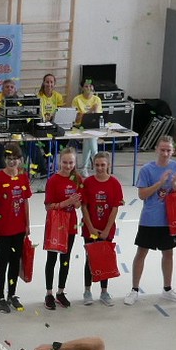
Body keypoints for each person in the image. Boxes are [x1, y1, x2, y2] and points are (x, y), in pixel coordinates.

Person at [124, 136, 176, 305]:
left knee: (168, 253)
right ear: (156, 150)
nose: (165, 153)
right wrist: (160, 183)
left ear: (173, 151)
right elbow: (142, 195)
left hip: (169, 220)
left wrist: (174, 183)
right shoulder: (147, 170)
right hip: (150, 219)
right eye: (162, 150)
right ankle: (134, 290)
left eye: (168, 150)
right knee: (141, 252)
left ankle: (167, 289)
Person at [0, 143, 31, 313]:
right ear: (4, 159)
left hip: (18, 229)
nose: (12, 162)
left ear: (20, 160)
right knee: (2, 263)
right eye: (9, 158)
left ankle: (12, 294)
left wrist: (27, 224)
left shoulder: (23, 177)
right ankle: (0, 297)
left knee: (14, 263)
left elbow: (25, 201)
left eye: (15, 159)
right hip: (2, 230)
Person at [80, 152, 123, 306]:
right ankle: (87, 291)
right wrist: (91, 227)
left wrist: (106, 230)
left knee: (105, 259)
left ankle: (104, 292)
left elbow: (115, 208)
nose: (99, 168)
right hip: (90, 229)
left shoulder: (114, 184)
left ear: (108, 165)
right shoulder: (88, 182)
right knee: (89, 259)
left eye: (102, 165)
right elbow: (84, 207)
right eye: (97, 165)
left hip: (106, 229)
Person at [43, 148, 82, 310]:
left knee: (65, 259)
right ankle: (49, 293)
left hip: (70, 224)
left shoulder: (77, 179)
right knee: (52, 259)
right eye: (65, 162)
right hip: (55, 224)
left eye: (71, 162)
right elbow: (48, 206)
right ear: (60, 162)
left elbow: (78, 204)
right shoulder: (53, 180)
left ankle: (60, 291)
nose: (68, 166)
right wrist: (66, 202)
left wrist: (76, 202)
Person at [71, 79, 102, 173]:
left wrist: (94, 111)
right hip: (80, 127)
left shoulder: (97, 99)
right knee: (90, 138)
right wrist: (90, 111)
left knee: (88, 139)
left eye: (90, 86)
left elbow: (98, 117)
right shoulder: (77, 99)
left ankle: (84, 167)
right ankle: (97, 163)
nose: (88, 88)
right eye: (86, 86)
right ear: (82, 88)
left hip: (94, 127)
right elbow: (76, 119)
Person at [0, 78, 18, 169]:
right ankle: (2, 169)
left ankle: (16, 168)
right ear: (2, 89)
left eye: (12, 87)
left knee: (26, 145)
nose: (9, 89)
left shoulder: (18, 100)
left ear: (15, 90)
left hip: (14, 130)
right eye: (7, 87)